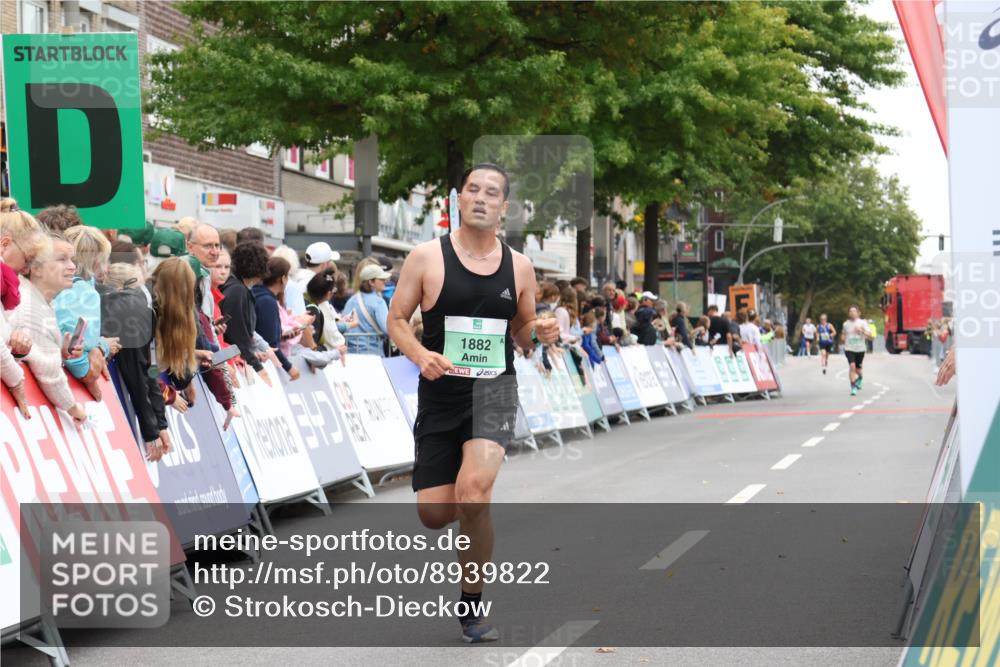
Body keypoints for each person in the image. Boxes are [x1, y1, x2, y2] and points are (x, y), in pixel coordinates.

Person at [386, 163, 559, 643]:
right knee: (435, 515)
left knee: (474, 493)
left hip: (494, 390)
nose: (481, 198)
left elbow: (523, 334)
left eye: (492, 193)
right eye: (473, 190)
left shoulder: (519, 266)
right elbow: (397, 319)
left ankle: (472, 603)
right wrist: (420, 355)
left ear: (505, 207)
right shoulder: (426, 257)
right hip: (441, 393)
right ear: (458, 199)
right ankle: (471, 516)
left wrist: (541, 331)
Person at [9, 234, 88, 425]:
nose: (72, 266)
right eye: (62, 259)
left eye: (72, 260)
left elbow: (36, 355)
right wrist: (75, 409)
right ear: (35, 268)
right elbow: (48, 372)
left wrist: (60, 352)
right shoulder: (30, 305)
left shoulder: (36, 298)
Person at [53, 226, 121, 401]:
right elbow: (74, 354)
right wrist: (102, 348)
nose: (106, 269)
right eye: (104, 260)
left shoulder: (59, 283)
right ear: (93, 261)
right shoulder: (83, 293)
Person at [0, 200, 45, 417]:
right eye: (28, 259)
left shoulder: (9, 286)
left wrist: (21, 341)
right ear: (4, 244)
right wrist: (17, 381)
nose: (28, 268)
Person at [220, 241, 273, 385]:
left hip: (228, 357)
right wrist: (257, 365)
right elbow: (238, 336)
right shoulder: (238, 291)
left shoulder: (235, 287)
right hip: (227, 360)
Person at [252, 256, 301, 380]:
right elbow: (270, 342)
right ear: (283, 279)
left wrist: (283, 336)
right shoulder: (267, 301)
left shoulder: (258, 295)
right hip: (263, 364)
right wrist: (289, 367)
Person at [342, 263, 391, 356]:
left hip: (351, 353)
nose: (385, 281)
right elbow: (387, 329)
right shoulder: (379, 302)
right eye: (381, 279)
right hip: (373, 353)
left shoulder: (351, 300)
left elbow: (343, 324)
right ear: (371, 282)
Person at [842, 306, 873, 396]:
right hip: (849, 348)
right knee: (852, 366)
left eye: (854, 311)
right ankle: (853, 387)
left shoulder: (862, 323)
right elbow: (843, 335)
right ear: (849, 313)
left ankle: (860, 377)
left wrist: (862, 331)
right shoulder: (846, 324)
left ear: (858, 313)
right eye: (850, 311)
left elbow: (870, 335)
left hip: (860, 349)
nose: (852, 313)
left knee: (858, 369)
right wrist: (843, 338)